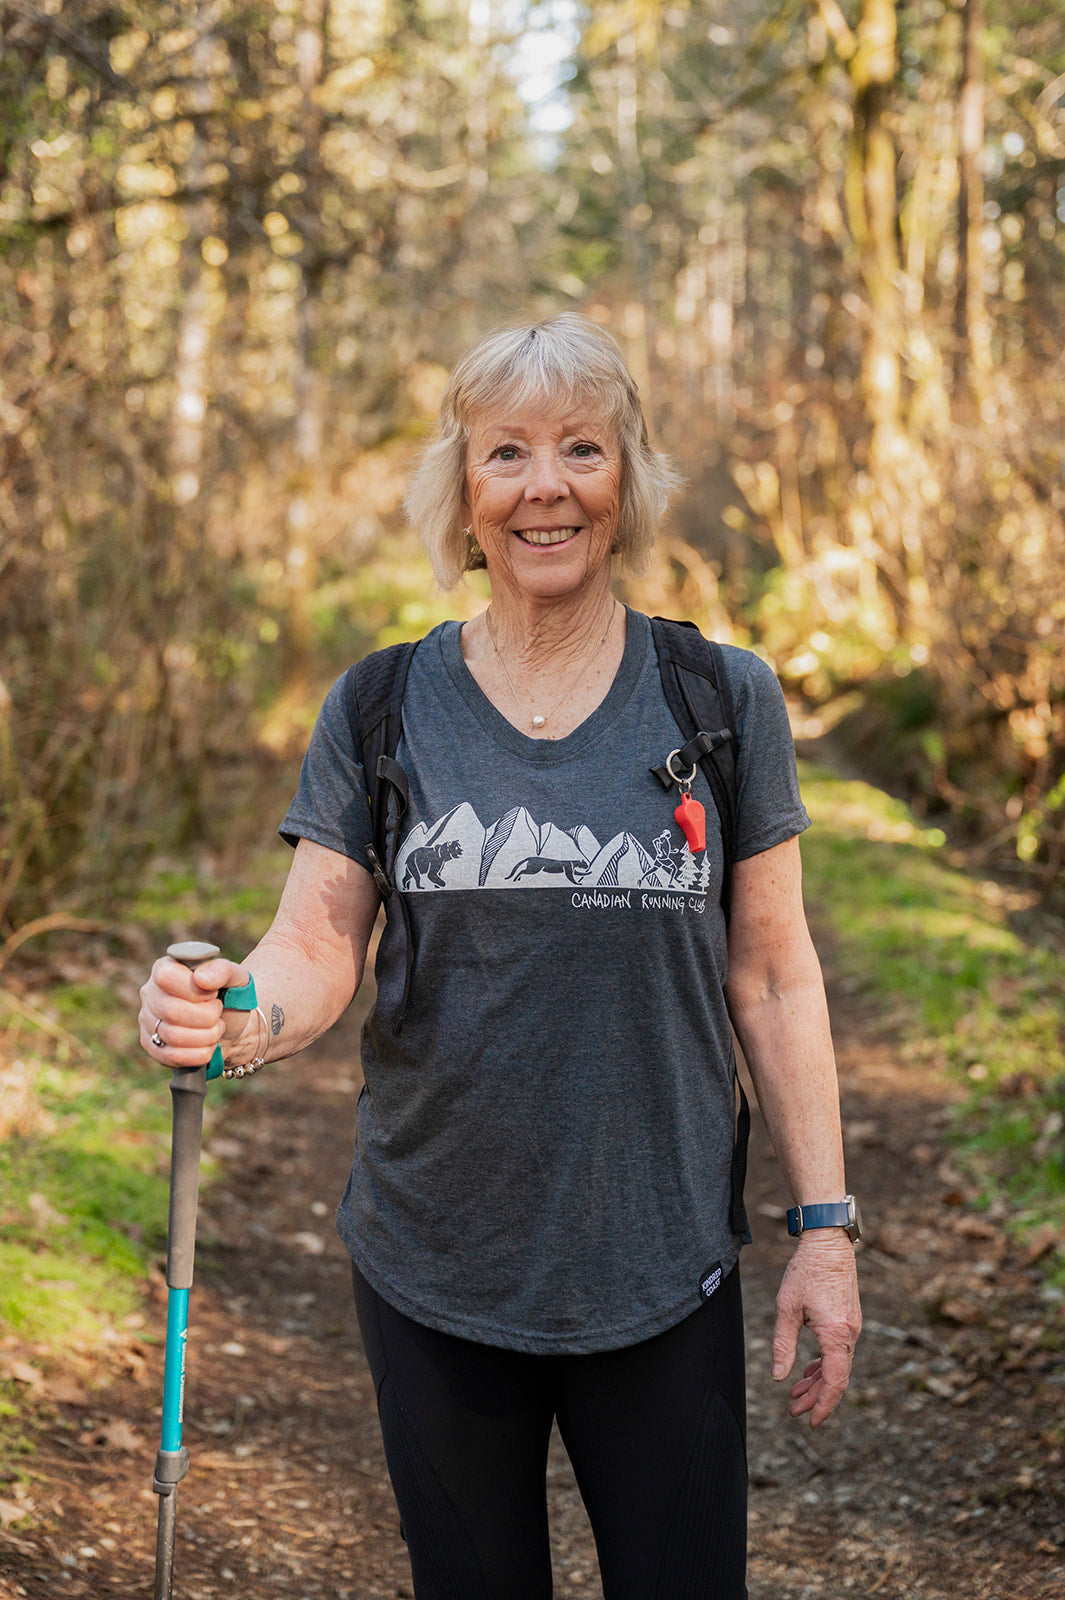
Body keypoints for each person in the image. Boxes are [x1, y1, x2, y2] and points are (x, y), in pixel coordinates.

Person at [139, 313, 861, 1599]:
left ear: (626, 481)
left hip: (660, 1255)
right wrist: (233, 1013)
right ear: (463, 493)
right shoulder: (379, 704)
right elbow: (317, 937)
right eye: (507, 453)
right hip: (434, 1263)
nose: (546, 486)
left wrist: (825, 1228)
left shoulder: (721, 697)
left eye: (583, 449)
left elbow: (774, 972)